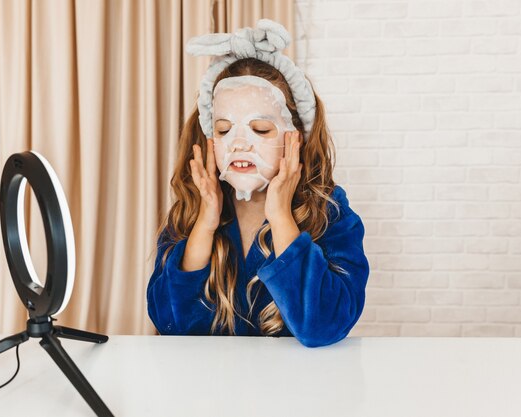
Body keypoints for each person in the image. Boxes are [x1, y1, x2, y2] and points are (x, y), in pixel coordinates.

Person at [146, 19, 369, 348]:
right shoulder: (191, 213)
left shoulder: (330, 214)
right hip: (208, 395)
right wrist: (205, 225)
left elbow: (322, 326)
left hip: (297, 392)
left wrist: (280, 216)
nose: (238, 143)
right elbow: (170, 325)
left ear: (296, 138)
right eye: (223, 130)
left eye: (261, 129)